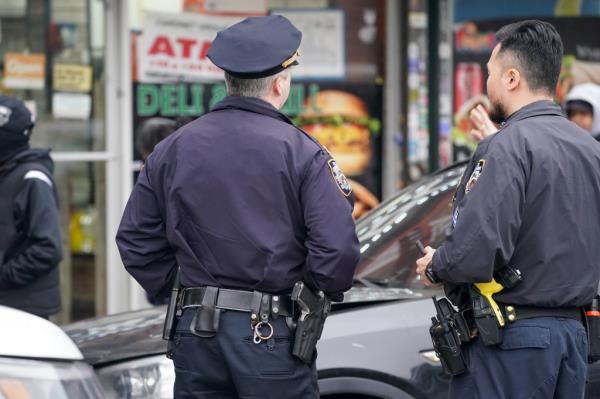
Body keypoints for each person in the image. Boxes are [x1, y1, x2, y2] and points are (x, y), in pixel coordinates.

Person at [116, 15, 360, 399]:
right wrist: (306, 293)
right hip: (269, 332)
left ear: (228, 81)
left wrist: (182, 289)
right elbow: (336, 251)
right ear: (280, 84)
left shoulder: (173, 148)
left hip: (195, 331)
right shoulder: (303, 153)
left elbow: (135, 239)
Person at [416, 20, 600, 398]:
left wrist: (436, 265)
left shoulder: (506, 146)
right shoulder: (590, 150)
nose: (487, 85)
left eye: (490, 74)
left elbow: (475, 248)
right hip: (574, 338)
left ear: (512, 78)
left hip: (514, 343)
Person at [0, 95, 62, 319]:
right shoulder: (6, 172)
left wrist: (4, 275)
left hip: (25, 311)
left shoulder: (32, 177)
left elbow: (48, 248)